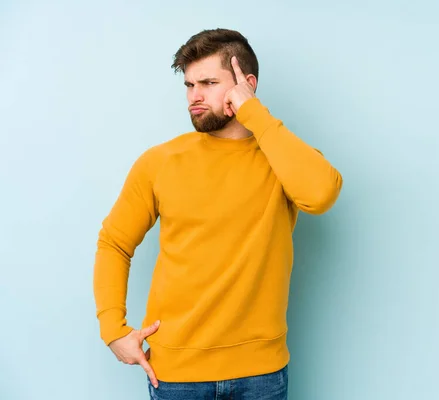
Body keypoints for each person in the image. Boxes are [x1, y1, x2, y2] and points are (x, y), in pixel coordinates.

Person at [93, 28, 343, 399]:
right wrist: (113, 330)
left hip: (261, 373)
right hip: (175, 375)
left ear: (246, 84)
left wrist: (254, 113)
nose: (195, 96)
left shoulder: (280, 157)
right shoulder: (160, 162)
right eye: (190, 85)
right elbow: (114, 243)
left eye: (208, 82)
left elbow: (321, 194)